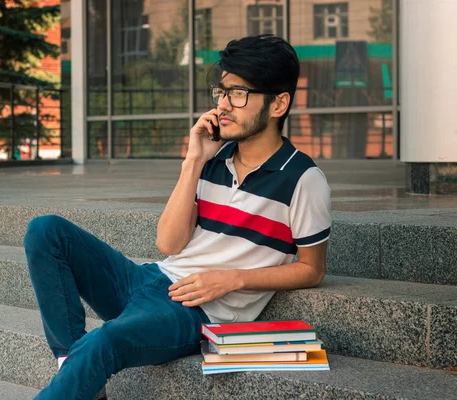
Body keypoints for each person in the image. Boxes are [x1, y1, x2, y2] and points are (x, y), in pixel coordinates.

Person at [24, 34, 331, 400]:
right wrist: (193, 160)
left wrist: (230, 280)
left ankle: (78, 370)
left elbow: (312, 269)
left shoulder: (302, 179)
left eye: (238, 93)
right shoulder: (213, 158)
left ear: (279, 103)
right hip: (149, 279)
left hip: (192, 314)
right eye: (221, 92)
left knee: (100, 342)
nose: (223, 105)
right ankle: (69, 365)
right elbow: (168, 244)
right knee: (46, 231)